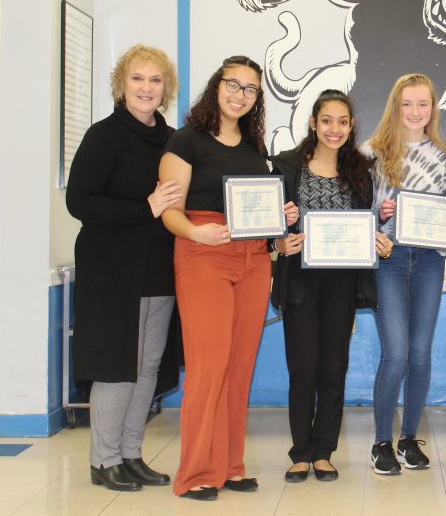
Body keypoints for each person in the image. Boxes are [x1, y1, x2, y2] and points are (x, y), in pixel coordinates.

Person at [159, 55, 296, 500]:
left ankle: (231, 465)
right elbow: (169, 213)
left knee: (239, 371)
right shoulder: (186, 141)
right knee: (208, 368)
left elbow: (259, 215)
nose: (240, 94)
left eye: (250, 88)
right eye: (232, 84)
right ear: (216, 87)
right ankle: (197, 471)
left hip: (254, 262)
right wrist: (198, 232)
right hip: (203, 255)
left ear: (257, 98)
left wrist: (281, 221)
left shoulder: (256, 151)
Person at [67, 44, 182, 492]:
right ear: (122, 84)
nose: (146, 88)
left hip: (157, 271)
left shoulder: (171, 139)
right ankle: (104, 460)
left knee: (148, 367)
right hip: (112, 274)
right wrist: (146, 207)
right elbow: (81, 202)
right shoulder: (104, 135)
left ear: (165, 89)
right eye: (138, 78)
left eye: (155, 81)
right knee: (117, 368)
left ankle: (131, 454)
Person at [271, 89, 393, 483]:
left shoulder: (362, 170)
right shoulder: (287, 166)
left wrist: (381, 232)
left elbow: (370, 221)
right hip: (299, 281)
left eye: (342, 122)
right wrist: (279, 238)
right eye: (326, 121)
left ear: (351, 126)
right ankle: (300, 452)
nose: (334, 129)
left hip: (343, 281)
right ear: (313, 123)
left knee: (333, 367)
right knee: (302, 367)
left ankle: (324, 451)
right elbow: (269, 226)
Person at [363, 75, 446, 476]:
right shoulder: (372, 152)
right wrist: (376, 215)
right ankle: (382, 441)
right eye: (407, 104)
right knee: (396, 352)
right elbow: (357, 212)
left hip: (431, 261)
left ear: (432, 109)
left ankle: (408, 438)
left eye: (423, 104)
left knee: (420, 354)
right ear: (395, 107)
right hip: (390, 259)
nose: (416, 112)